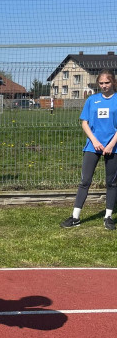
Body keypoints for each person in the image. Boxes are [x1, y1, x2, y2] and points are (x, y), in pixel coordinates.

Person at [60, 70, 117, 230]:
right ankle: (75, 217)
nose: (104, 86)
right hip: (93, 146)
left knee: (111, 183)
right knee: (85, 181)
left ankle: (108, 217)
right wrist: (95, 141)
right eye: (101, 83)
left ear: (113, 82)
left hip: (113, 146)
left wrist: (111, 145)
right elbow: (84, 122)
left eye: (107, 83)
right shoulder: (92, 100)